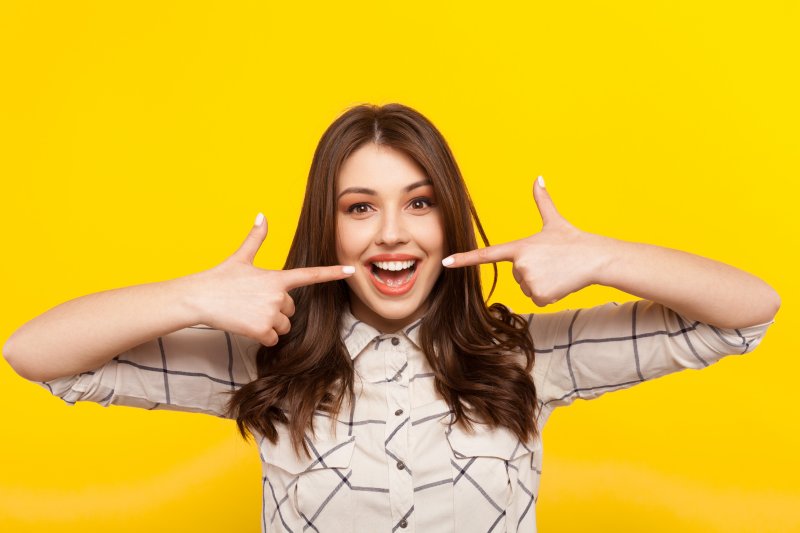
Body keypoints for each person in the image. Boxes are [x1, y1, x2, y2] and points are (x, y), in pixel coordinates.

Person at [2, 103, 780, 533]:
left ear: (447, 218)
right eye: (360, 207)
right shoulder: (266, 359)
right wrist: (190, 298)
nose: (392, 233)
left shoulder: (525, 354)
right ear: (329, 227)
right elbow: (36, 353)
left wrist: (605, 256)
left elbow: (746, 314)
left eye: (419, 201)